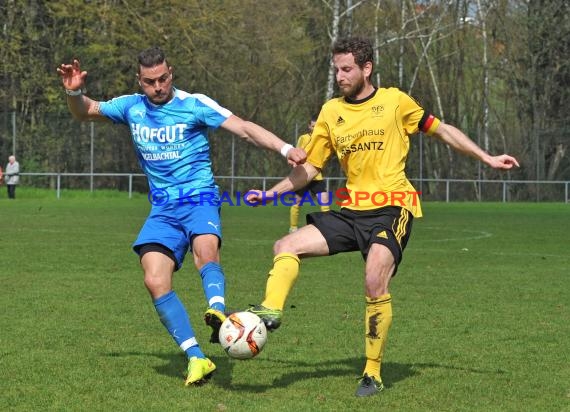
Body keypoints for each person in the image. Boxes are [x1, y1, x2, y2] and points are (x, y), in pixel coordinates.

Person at [245, 37, 519, 397]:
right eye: (336, 70)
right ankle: (272, 310)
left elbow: (443, 129)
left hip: (392, 207)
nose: (340, 76)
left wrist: (485, 158)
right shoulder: (330, 112)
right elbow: (310, 168)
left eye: (347, 69)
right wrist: (270, 193)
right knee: (286, 244)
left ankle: (372, 373)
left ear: (366, 68)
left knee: (374, 278)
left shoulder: (394, 101)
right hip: (352, 210)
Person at [56, 47, 305, 386]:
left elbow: (244, 128)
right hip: (163, 209)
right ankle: (197, 358)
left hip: (199, 197)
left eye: (162, 79)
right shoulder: (131, 107)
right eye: (149, 82)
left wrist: (286, 149)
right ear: (139, 82)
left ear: (171, 74)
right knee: (154, 280)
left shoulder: (194, 105)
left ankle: (217, 310)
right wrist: (74, 91)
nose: (157, 86)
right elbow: (85, 112)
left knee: (206, 251)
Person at [288, 117, 330, 233]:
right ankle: (293, 227)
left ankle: (327, 227)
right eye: (312, 125)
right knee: (297, 201)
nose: (314, 128)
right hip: (304, 175)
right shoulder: (303, 138)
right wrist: (296, 166)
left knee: (324, 201)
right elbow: (297, 153)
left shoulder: (322, 138)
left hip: (317, 176)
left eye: (317, 125)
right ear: (309, 126)